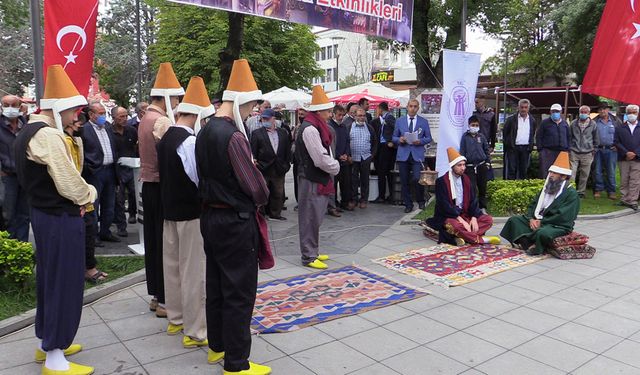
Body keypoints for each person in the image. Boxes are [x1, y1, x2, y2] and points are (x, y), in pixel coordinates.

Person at [16, 65, 97, 375]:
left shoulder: (27, 130)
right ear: (60, 107)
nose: (76, 116)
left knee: (49, 281)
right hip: (60, 216)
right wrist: (88, 196)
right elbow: (68, 180)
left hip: (44, 214)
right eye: (74, 110)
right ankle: (55, 353)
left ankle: (47, 342)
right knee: (64, 282)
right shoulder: (49, 134)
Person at [195, 59, 272, 375]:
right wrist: (261, 185)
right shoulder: (233, 136)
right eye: (253, 104)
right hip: (234, 222)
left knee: (216, 285)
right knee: (239, 291)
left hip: (210, 218)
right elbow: (256, 188)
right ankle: (237, 363)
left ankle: (218, 348)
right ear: (241, 100)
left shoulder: (204, 130)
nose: (253, 111)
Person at [158, 76, 213, 350]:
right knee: (193, 272)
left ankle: (176, 318)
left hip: (169, 210)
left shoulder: (167, 135)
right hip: (190, 213)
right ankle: (195, 329)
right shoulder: (188, 142)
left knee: (172, 268)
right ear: (199, 115)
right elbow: (197, 179)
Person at [139, 62, 184, 318]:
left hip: (148, 185)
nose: (177, 103)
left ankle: (157, 294)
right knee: (166, 244)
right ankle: (166, 299)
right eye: (176, 97)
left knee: (154, 242)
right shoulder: (163, 121)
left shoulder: (146, 117)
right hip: (162, 186)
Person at [296, 85, 340, 270]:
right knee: (309, 217)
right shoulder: (310, 129)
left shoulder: (317, 126)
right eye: (328, 111)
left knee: (315, 217)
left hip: (316, 177)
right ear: (319, 111)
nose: (330, 114)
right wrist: (336, 166)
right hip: (311, 178)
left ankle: (313, 250)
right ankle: (308, 255)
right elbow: (319, 158)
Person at [501, 151, 579, 255]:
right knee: (514, 220)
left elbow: (563, 217)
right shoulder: (547, 188)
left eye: (554, 173)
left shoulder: (571, 194)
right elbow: (533, 205)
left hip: (556, 225)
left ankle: (532, 245)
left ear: (563, 176)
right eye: (550, 172)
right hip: (538, 220)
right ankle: (529, 243)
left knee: (543, 233)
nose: (550, 175)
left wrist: (542, 222)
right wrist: (531, 219)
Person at [425, 148, 498, 246]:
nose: (463, 168)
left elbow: (473, 200)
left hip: (466, 214)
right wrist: (461, 220)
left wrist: (474, 217)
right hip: (450, 216)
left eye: (464, 165)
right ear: (452, 166)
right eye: (459, 165)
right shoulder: (442, 181)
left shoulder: (467, 179)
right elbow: (444, 205)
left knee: (488, 220)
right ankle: (481, 240)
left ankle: (463, 236)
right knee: (454, 225)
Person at [66, 113, 107, 284]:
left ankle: (88, 266)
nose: (80, 125)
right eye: (77, 122)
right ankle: (88, 269)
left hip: (84, 190)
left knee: (90, 227)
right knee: (88, 228)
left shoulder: (75, 139)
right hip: (76, 194)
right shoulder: (64, 141)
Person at [81, 101, 120, 243]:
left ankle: (105, 231)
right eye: (101, 113)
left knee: (109, 205)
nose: (104, 116)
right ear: (91, 115)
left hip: (110, 170)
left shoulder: (108, 127)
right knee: (94, 205)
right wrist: (88, 166)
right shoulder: (84, 130)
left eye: (105, 113)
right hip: (94, 172)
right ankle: (94, 235)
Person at [251, 108, 292, 220]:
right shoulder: (257, 134)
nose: (265, 120)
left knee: (278, 192)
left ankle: (275, 213)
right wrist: (256, 162)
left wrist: (287, 164)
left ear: (273, 119)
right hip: (263, 167)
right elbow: (253, 151)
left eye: (267, 118)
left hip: (279, 167)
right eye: (263, 119)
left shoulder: (283, 133)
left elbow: (287, 150)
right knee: (263, 192)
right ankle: (262, 214)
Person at [393, 99, 432, 213]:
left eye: (415, 106)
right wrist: (400, 139)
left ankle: (420, 200)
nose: (413, 108)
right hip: (403, 154)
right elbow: (394, 137)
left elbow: (429, 138)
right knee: (404, 181)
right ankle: (408, 204)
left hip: (417, 154)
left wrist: (420, 141)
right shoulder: (399, 121)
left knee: (417, 178)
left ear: (418, 108)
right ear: (407, 107)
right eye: (411, 106)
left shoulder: (423, 121)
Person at [0, 94, 29, 242]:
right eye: (6, 105)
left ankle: (23, 246)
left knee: (24, 213)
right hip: (6, 176)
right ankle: (9, 246)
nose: (9, 109)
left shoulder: (26, 125)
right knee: (8, 214)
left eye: (13, 105)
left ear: (20, 107)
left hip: (25, 176)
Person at [111, 106, 139, 236]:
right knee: (119, 198)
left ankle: (133, 214)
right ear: (114, 117)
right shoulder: (108, 131)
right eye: (121, 116)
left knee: (134, 193)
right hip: (117, 169)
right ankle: (121, 226)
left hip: (132, 167)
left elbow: (135, 146)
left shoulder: (132, 131)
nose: (124, 119)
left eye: (126, 116)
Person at [460, 115, 491, 210]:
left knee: (482, 188)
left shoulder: (481, 136)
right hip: (470, 167)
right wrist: (463, 165)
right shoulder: (465, 137)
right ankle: (473, 208)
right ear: (469, 125)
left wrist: (487, 162)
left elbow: (486, 150)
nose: (475, 127)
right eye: (473, 125)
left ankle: (483, 208)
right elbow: (462, 151)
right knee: (472, 188)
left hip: (481, 165)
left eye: (476, 125)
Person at [349, 108, 377, 209]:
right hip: (353, 158)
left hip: (365, 157)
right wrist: (348, 155)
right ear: (355, 116)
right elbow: (346, 142)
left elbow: (374, 142)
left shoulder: (369, 128)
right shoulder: (349, 127)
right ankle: (354, 199)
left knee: (365, 179)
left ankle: (364, 200)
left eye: (363, 116)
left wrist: (371, 155)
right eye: (359, 116)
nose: (362, 118)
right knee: (353, 180)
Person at [503, 99, 537, 180]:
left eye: (525, 107)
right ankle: (510, 187)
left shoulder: (532, 120)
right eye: (522, 107)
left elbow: (532, 133)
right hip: (513, 148)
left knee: (523, 170)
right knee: (511, 170)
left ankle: (521, 188)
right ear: (518, 107)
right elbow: (505, 133)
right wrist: (509, 144)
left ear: (528, 108)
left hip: (526, 148)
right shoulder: (511, 119)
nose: (523, 109)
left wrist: (530, 146)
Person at [614, 104, 640, 211]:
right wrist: (626, 152)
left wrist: (635, 153)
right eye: (629, 112)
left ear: (637, 114)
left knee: (635, 180)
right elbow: (616, 142)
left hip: (637, 158)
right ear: (626, 113)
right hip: (623, 157)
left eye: (634, 112)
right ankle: (624, 198)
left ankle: (633, 200)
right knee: (624, 179)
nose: (632, 114)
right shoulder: (620, 127)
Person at [569, 105, 598, 198]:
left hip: (588, 152)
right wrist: (570, 148)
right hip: (574, 151)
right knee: (571, 174)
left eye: (585, 112)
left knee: (584, 174)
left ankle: (581, 192)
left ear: (589, 114)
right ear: (579, 112)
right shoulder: (573, 123)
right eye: (582, 112)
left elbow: (596, 138)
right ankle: (571, 191)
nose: (583, 114)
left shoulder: (593, 124)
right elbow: (569, 137)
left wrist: (594, 149)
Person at [372, 101, 397, 203]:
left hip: (386, 147)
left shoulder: (389, 117)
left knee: (384, 172)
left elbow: (396, 128)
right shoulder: (384, 118)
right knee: (383, 171)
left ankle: (384, 195)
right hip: (382, 147)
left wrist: (390, 140)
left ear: (380, 109)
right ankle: (384, 195)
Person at [594, 102, 620, 199]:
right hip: (598, 149)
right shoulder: (594, 121)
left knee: (611, 171)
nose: (602, 111)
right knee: (597, 171)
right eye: (600, 109)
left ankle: (611, 191)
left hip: (611, 150)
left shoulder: (616, 121)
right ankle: (598, 190)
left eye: (604, 109)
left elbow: (621, 134)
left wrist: (618, 146)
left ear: (608, 110)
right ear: (598, 111)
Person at [537, 103, 570, 178]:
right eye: (553, 111)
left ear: (561, 112)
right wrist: (540, 149)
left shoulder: (564, 123)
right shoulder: (544, 123)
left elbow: (569, 136)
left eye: (557, 111)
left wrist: (568, 149)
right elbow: (539, 136)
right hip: (548, 151)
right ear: (550, 112)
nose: (555, 113)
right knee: (545, 171)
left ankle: (558, 188)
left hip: (562, 151)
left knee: (561, 172)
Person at [329, 104, 352, 211]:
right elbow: (331, 144)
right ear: (333, 114)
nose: (341, 117)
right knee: (333, 184)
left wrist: (346, 154)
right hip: (334, 159)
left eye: (343, 115)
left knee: (345, 183)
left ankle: (345, 202)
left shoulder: (343, 126)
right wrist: (338, 155)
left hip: (344, 159)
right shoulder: (329, 126)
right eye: (339, 115)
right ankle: (333, 204)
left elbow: (348, 141)